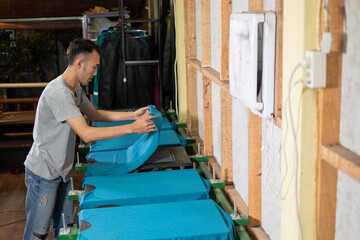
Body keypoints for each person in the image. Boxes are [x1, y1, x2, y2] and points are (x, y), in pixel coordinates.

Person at [23, 38, 157, 240]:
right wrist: (132, 129)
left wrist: (133, 115)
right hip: (44, 173)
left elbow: (95, 115)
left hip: (61, 171)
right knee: (37, 233)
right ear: (79, 63)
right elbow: (86, 133)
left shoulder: (75, 89)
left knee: (65, 230)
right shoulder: (59, 93)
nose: (95, 73)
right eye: (94, 67)